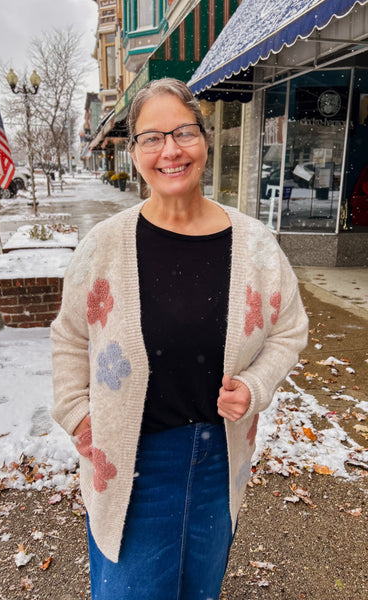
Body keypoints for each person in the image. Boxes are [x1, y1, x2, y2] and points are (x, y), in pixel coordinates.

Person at [51, 78, 308, 600]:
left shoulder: (255, 246)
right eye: (152, 137)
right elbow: (69, 337)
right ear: (134, 150)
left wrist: (257, 385)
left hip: (218, 462)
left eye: (184, 132)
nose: (170, 150)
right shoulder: (104, 247)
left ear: (205, 139)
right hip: (130, 463)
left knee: (199, 590)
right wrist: (78, 416)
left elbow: (290, 330)